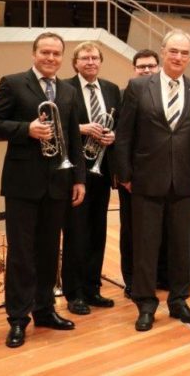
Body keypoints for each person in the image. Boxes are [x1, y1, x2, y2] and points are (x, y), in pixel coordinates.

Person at [0, 32, 86, 348]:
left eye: (56, 54)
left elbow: (72, 138)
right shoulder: (13, 83)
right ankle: (18, 319)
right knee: (21, 255)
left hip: (57, 183)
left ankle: (44, 310)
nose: (51, 58)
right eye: (45, 52)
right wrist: (26, 129)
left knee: (47, 252)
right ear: (34, 53)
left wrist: (79, 178)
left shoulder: (68, 91)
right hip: (22, 184)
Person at [115, 29, 190, 332]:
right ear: (163, 51)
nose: (179, 57)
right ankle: (145, 303)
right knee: (145, 245)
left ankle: (179, 300)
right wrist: (125, 176)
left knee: (182, 245)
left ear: (189, 58)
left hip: (185, 182)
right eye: (173, 51)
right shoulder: (138, 86)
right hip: (145, 181)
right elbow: (124, 135)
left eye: (184, 53)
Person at [62, 42, 121, 316]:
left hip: (101, 170)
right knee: (76, 233)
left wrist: (113, 136)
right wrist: (81, 128)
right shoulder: (64, 88)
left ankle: (92, 288)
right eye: (84, 58)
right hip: (75, 171)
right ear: (75, 63)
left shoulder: (110, 89)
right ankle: (74, 293)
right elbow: (56, 125)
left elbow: (119, 124)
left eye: (95, 57)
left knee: (97, 232)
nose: (90, 62)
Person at [117, 49, 159, 298]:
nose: (146, 70)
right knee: (131, 231)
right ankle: (132, 280)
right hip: (134, 178)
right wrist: (125, 176)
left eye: (151, 66)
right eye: (141, 66)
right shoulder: (126, 94)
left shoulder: (165, 93)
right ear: (134, 69)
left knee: (157, 231)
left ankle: (155, 277)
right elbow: (123, 138)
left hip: (160, 175)